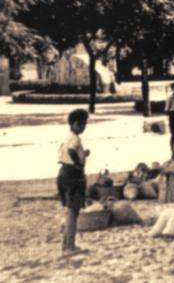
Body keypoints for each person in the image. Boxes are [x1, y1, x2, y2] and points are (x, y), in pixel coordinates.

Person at [57, 108, 90, 255]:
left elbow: (67, 152)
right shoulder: (75, 139)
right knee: (73, 211)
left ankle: (66, 244)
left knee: (70, 210)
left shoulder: (68, 137)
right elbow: (71, 151)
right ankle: (69, 247)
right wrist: (78, 163)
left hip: (64, 173)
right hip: (72, 174)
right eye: (82, 124)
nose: (84, 127)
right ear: (76, 124)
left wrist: (83, 155)